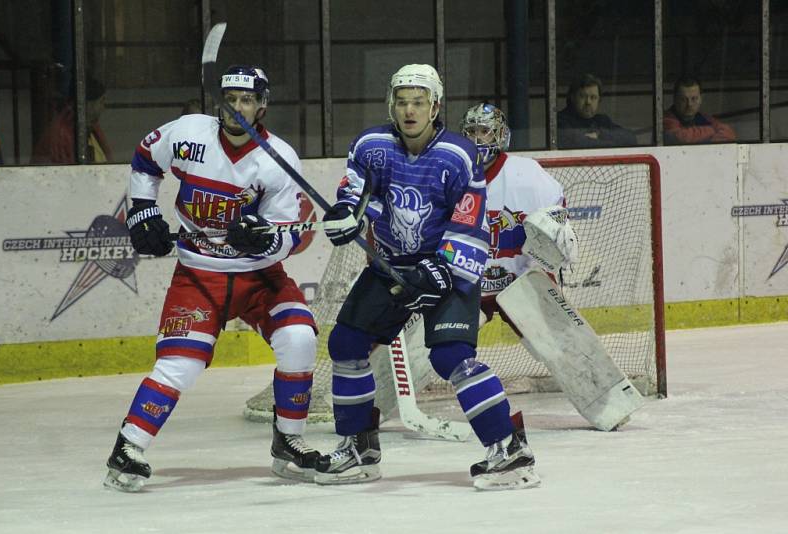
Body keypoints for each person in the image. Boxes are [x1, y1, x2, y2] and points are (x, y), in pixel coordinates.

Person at [314, 64, 539, 491]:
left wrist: (441, 267)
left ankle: (509, 449)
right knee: (346, 343)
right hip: (392, 263)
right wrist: (348, 214)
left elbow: (470, 222)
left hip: (448, 264)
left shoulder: (458, 155)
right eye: (402, 102)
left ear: (435, 106)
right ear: (391, 105)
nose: (410, 110)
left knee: (450, 356)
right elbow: (361, 192)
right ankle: (358, 449)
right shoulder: (371, 145)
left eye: (419, 102)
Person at [104, 65, 320, 492]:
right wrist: (143, 209)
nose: (237, 108)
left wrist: (261, 240)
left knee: (300, 339)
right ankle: (127, 447)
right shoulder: (188, 133)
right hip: (198, 276)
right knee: (179, 364)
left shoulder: (278, 159)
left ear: (262, 105)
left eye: (247, 100)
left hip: (260, 278)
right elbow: (146, 159)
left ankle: (288, 443)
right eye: (231, 99)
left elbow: (288, 240)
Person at [460, 102, 568, 307]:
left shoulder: (527, 174)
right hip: (468, 286)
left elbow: (557, 208)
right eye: (471, 131)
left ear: (500, 135)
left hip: (525, 281)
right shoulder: (453, 174)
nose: (477, 138)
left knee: (554, 337)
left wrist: (556, 242)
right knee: (451, 338)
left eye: (485, 131)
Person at [31, 77, 114, 163]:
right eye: (101, 101)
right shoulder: (61, 135)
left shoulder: (89, 125)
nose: (104, 107)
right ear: (87, 104)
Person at [557, 73, 637, 149]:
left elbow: (631, 138)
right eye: (583, 96)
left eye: (593, 97)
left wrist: (600, 134)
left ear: (599, 100)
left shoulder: (602, 121)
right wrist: (610, 142)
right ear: (572, 97)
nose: (588, 102)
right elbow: (579, 145)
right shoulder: (560, 121)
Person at [664, 77, 736, 145]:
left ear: (701, 99)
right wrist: (712, 131)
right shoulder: (666, 119)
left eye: (694, 99)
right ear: (675, 99)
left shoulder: (704, 118)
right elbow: (681, 137)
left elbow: (729, 133)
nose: (689, 104)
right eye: (683, 99)